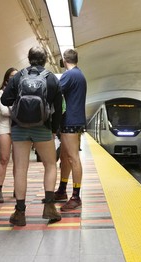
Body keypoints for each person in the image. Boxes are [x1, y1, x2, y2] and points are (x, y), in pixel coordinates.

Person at [1, 46, 63, 226]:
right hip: (43, 128)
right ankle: (50, 208)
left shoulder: (19, 76)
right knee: (50, 165)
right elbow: (59, 108)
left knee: (21, 168)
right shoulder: (51, 78)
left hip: (19, 127)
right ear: (45, 60)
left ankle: (20, 213)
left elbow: (5, 100)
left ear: (29, 59)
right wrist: (54, 129)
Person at [55, 49, 87, 211]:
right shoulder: (79, 74)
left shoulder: (69, 74)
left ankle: (76, 196)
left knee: (73, 157)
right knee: (65, 156)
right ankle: (62, 190)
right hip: (74, 120)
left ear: (64, 60)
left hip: (70, 121)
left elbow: (55, 92)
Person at [0, 67, 18, 203]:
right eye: (11, 76)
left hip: (17, 127)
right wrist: (17, 109)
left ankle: (17, 188)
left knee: (18, 161)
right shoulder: (2, 92)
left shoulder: (21, 92)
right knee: (4, 159)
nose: (14, 78)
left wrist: (12, 108)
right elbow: (3, 112)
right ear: (7, 77)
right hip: (4, 127)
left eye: (16, 75)